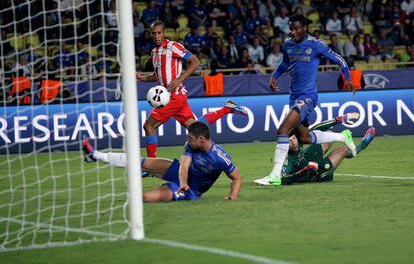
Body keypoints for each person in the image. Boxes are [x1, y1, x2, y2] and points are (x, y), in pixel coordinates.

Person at [254, 14, 356, 187]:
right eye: (291, 28)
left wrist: (347, 78)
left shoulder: (316, 45)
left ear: (305, 28)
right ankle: (342, 136)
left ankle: (275, 175)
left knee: (283, 129)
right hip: (294, 96)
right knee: (305, 138)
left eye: (296, 28)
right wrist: (275, 76)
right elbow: (285, 64)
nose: (293, 32)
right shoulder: (288, 45)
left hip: (308, 97)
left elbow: (340, 59)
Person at [136, 20, 246, 158]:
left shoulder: (173, 46)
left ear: (164, 33)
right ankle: (228, 108)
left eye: (159, 33)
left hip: (174, 96)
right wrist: (141, 77)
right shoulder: (154, 52)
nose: (156, 36)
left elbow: (195, 62)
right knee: (196, 128)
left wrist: (179, 79)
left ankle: (151, 164)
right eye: (153, 33)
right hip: (168, 96)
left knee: (149, 126)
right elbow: (156, 75)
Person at [82, 121, 241, 202]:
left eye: (190, 138)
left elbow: (237, 177)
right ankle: (95, 155)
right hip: (179, 174)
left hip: (190, 190)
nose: (187, 140)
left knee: (145, 198)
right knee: (141, 162)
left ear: (201, 139)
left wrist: (233, 195)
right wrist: (183, 181)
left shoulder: (220, 157)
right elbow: (184, 166)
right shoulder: (191, 146)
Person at [281, 119, 376, 185]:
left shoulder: (299, 138)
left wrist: (339, 120)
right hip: (313, 173)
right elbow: (283, 180)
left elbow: (317, 129)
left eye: (293, 138)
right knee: (343, 149)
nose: (293, 142)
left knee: (328, 134)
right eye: (289, 141)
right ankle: (362, 146)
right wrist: (304, 171)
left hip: (307, 158)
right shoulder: (287, 159)